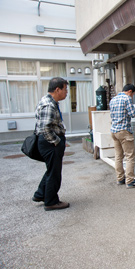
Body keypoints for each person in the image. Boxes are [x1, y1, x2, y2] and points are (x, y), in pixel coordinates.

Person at [32, 77, 70, 211]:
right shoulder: (48, 104)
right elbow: (45, 128)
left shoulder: (49, 101)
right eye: (65, 90)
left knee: (51, 170)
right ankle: (51, 201)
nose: (66, 93)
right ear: (57, 89)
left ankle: (40, 194)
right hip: (50, 143)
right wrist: (57, 141)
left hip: (49, 142)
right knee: (54, 173)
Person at [109, 84, 135, 188]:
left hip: (114, 131)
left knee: (118, 156)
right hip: (124, 131)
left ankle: (120, 179)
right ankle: (130, 181)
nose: (132, 96)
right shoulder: (127, 98)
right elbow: (132, 114)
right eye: (132, 94)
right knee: (130, 156)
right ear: (129, 91)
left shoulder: (113, 99)